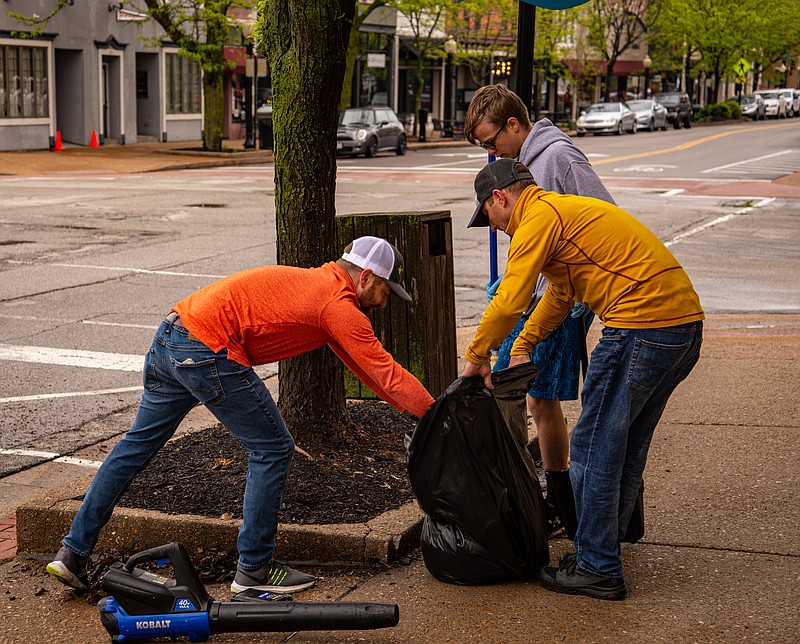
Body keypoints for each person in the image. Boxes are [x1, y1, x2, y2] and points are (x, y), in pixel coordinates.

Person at [46, 236, 435, 595]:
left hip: (170, 335)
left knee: (135, 447)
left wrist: (413, 409)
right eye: (386, 292)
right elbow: (386, 371)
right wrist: (437, 414)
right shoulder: (336, 305)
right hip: (207, 349)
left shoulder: (320, 288)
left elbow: (367, 370)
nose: (385, 303)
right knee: (273, 447)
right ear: (366, 277)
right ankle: (254, 570)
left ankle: (72, 553)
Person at [462, 159, 704, 600]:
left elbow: (512, 295)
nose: (494, 228)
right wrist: (526, 342)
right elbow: (560, 292)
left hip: (640, 325)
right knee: (623, 447)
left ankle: (598, 566)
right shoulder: (560, 213)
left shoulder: (537, 217)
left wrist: (477, 355)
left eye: (489, 217)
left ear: (500, 197)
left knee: (592, 446)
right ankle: (600, 549)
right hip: (681, 327)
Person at [464, 84, 616, 538]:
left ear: (514, 124)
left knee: (537, 397)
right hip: (546, 294)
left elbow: (601, 218)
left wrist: (566, 292)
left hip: (558, 300)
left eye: (491, 142)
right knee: (534, 396)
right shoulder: (528, 162)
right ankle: (554, 500)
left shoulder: (557, 157)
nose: (490, 152)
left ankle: (559, 503)